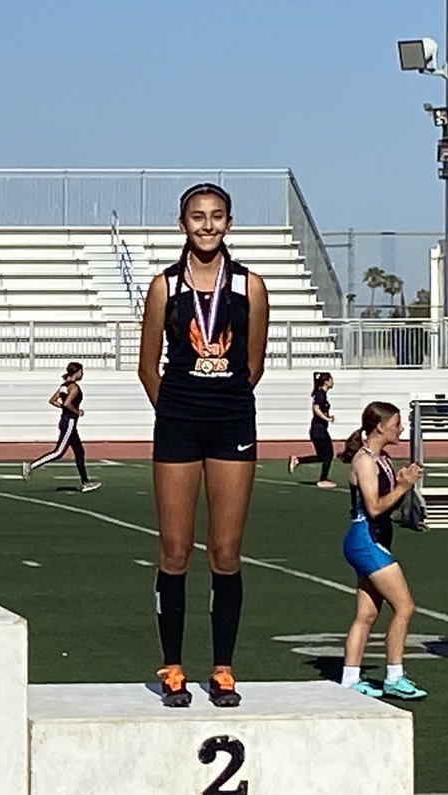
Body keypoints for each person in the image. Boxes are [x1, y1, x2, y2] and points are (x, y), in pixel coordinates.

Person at [137, 183, 270, 708]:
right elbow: (148, 366)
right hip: (178, 421)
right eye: (197, 217)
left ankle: (222, 668)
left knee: (226, 551)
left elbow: (253, 364)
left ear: (230, 222)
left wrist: (222, 397)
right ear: (182, 224)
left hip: (232, 419)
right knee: (174, 550)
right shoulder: (164, 286)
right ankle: (172, 665)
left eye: (216, 216)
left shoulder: (250, 285)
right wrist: (175, 409)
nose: (207, 225)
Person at [338, 402, 427, 700]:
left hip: (373, 539)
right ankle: (394, 676)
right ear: (380, 426)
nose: (400, 429)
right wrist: (404, 486)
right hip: (366, 539)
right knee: (405, 607)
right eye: (397, 424)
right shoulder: (365, 461)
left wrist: (401, 482)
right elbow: (375, 507)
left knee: (366, 614)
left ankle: (350, 678)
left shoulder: (382, 458)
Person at [21, 361, 100, 492]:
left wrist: (64, 408)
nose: (83, 374)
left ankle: (85, 482)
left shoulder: (64, 385)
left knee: (79, 452)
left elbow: (53, 400)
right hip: (69, 422)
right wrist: (77, 412)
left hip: (67, 421)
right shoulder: (74, 387)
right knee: (59, 452)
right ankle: (31, 466)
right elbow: (68, 403)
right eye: (81, 371)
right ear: (77, 372)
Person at [288, 371, 336, 487]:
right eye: (331, 380)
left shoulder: (321, 394)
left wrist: (327, 417)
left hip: (318, 429)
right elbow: (315, 408)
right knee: (328, 455)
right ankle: (323, 479)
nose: (333, 382)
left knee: (323, 456)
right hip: (318, 430)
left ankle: (298, 460)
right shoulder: (321, 394)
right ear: (326, 381)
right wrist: (326, 418)